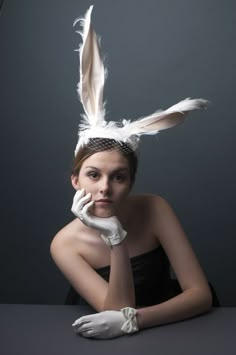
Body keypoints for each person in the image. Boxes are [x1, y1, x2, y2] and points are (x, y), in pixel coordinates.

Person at [50, 6, 212, 339]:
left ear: (131, 182)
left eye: (118, 177)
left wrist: (134, 320)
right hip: (101, 330)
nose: (105, 187)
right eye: (93, 175)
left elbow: (200, 296)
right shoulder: (64, 244)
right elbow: (112, 313)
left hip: (171, 325)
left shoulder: (155, 208)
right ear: (75, 179)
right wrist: (115, 240)